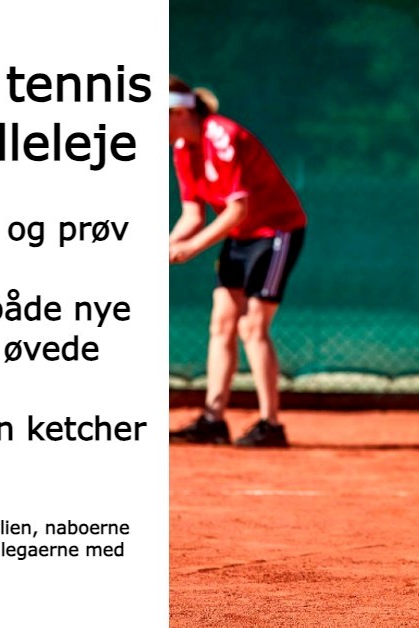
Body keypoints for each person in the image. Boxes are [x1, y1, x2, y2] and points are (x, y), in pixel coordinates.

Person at [166, 76, 307, 448]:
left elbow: (237, 208)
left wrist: (192, 248)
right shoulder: (181, 148)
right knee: (221, 323)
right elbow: (192, 215)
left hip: (277, 232)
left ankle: (270, 424)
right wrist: (167, 245)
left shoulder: (220, 136)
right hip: (240, 236)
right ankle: (213, 420)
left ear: (179, 112)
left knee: (252, 327)